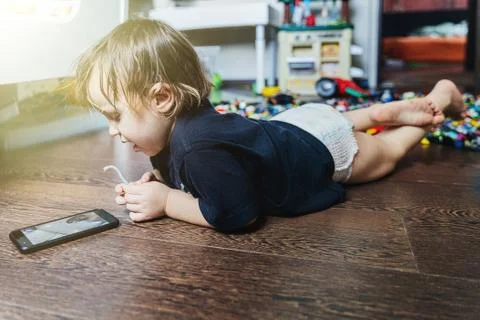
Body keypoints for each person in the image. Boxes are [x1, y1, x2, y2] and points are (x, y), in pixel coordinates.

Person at [68, 19, 465, 232]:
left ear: (162, 98)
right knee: (340, 121)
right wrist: (160, 183)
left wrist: (168, 202)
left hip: (322, 150)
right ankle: (383, 111)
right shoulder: (191, 122)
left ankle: (439, 102)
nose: (112, 131)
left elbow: (237, 213)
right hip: (292, 124)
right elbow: (189, 169)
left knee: (387, 153)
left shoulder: (198, 149)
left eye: (115, 115)